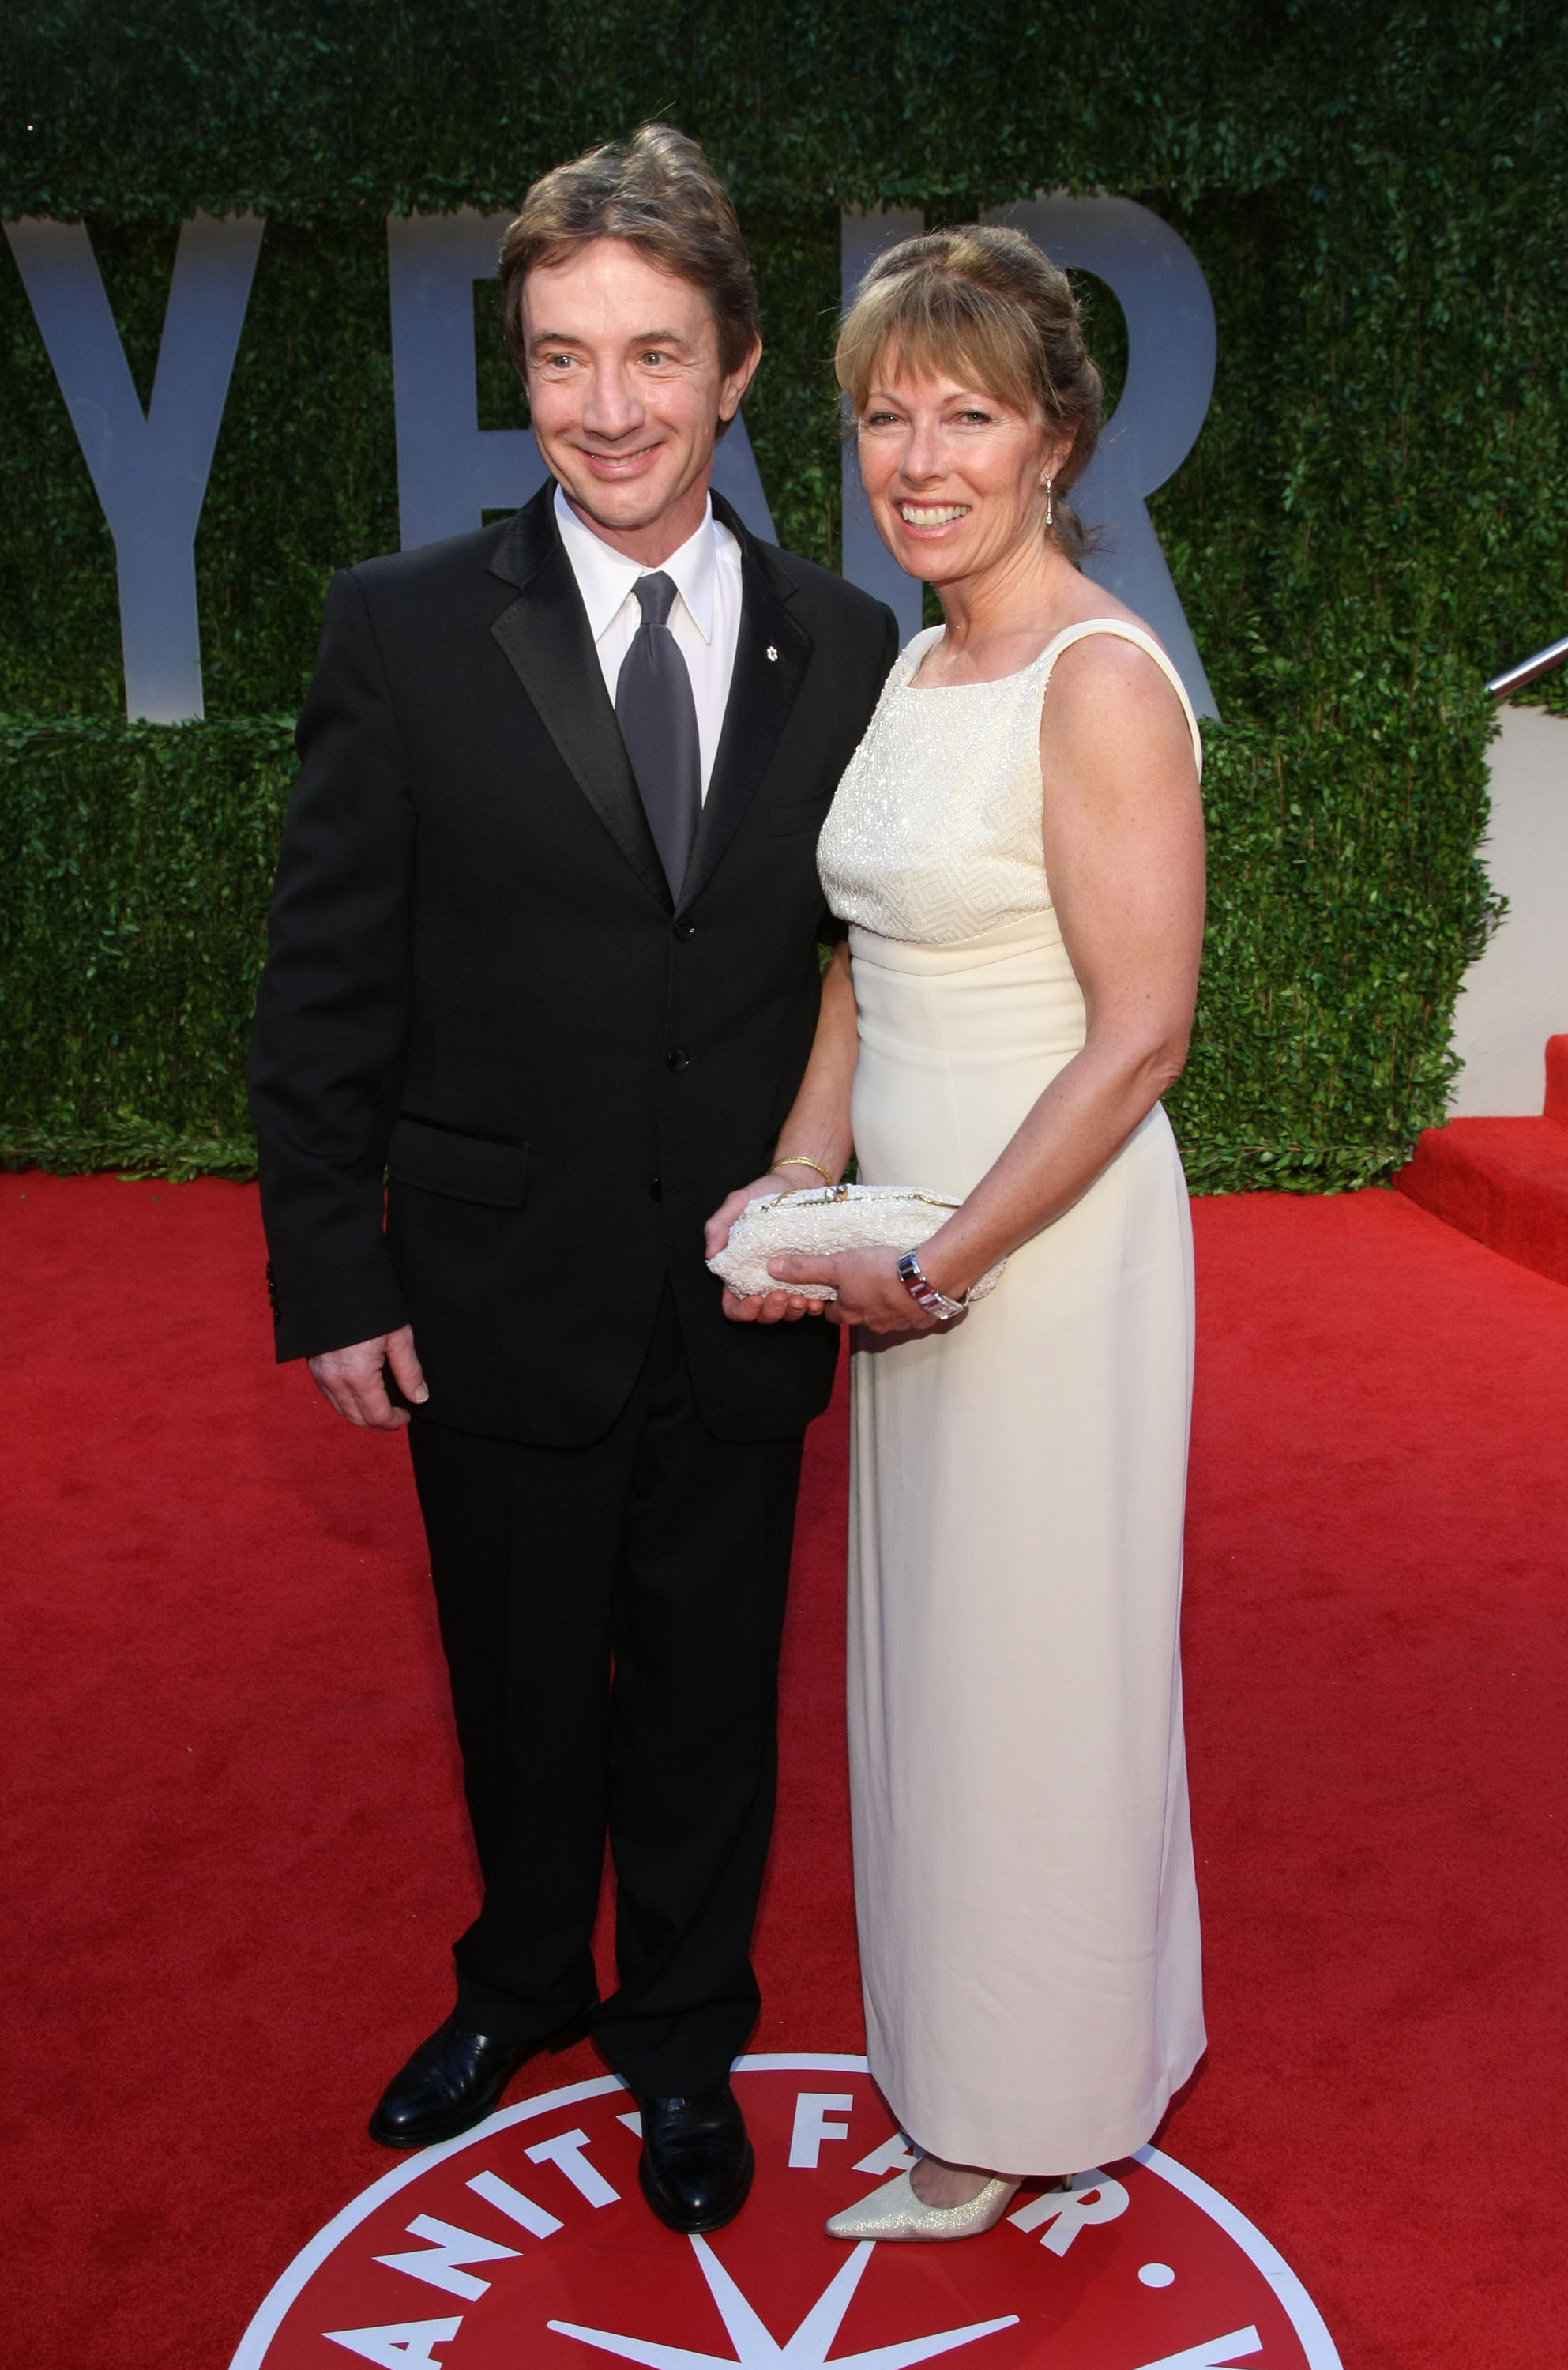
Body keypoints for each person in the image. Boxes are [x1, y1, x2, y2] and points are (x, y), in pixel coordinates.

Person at [247, 122, 897, 2236]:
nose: (604, 408)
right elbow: (326, 975)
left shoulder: (845, 641)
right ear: (517, 373)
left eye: (649, 355)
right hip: (498, 1273)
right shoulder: (404, 628)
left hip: (740, 1290)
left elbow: (851, 967)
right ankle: (518, 1981)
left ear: (737, 370)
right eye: (557, 357)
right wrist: (328, 1274)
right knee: (516, 1682)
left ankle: (683, 2039)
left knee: (711, 1690)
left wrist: (850, 1214)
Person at [707, 223, 1207, 2236]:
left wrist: (939, 1263)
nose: (922, 456)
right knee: (938, 1669)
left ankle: (1025, 2104)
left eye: (968, 414)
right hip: (911, 1239)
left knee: (1034, 1674)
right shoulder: (921, 655)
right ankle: (990, 2060)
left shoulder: (1095, 676)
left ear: (1057, 439)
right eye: (887, 415)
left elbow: (1141, 1035)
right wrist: (806, 1178)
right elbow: (865, 957)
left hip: (1041, 1247)